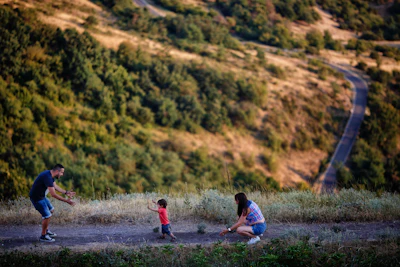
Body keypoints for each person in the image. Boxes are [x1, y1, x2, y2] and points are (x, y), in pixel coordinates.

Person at [29, 164, 76, 242]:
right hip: (37, 198)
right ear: (57, 171)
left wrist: (66, 192)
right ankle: (43, 236)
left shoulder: (49, 175)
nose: (62, 174)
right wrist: (67, 201)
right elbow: (53, 194)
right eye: (62, 172)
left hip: (42, 196)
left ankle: (46, 230)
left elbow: (55, 186)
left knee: (51, 210)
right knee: (47, 215)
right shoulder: (47, 177)